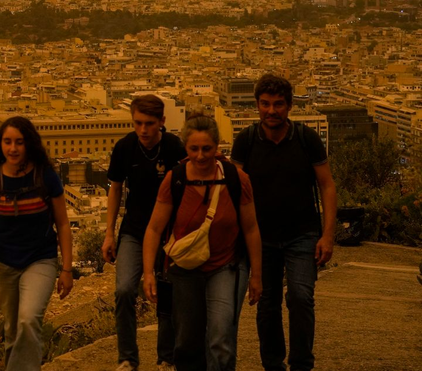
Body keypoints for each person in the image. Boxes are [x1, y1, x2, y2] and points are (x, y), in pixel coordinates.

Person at [231, 74, 337, 371]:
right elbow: (232, 187)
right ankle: (273, 364)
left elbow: (327, 185)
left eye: (278, 104)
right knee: (266, 304)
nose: (271, 111)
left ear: (289, 106)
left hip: (302, 233)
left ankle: (302, 363)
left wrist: (327, 236)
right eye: (265, 104)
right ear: (257, 105)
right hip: (260, 237)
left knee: (301, 297)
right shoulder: (247, 140)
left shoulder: (306, 139)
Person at [143, 114, 262, 371]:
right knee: (187, 338)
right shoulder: (175, 179)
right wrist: (148, 273)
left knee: (221, 334)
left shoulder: (236, 179)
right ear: (185, 148)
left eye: (207, 148)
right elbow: (154, 229)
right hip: (185, 268)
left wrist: (256, 275)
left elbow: (251, 228)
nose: (200, 156)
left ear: (217, 146)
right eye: (194, 149)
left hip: (225, 265)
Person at [0, 116, 74, 371]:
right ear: (0, 145)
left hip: (41, 258)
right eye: (7, 142)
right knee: (13, 330)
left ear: (29, 144)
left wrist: (67, 268)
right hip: (3, 263)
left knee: (28, 320)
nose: (13, 148)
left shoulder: (45, 177)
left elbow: (62, 224)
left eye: (19, 142)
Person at [103, 95, 186, 371]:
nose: (143, 130)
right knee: (125, 289)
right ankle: (127, 357)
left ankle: (166, 358)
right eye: (138, 123)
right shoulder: (124, 147)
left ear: (162, 122)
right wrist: (109, 233)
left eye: (149, 124)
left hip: (169, 233)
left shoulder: (174, 147)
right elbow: (115, 189)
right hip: (135, 231)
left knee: (167, 293)